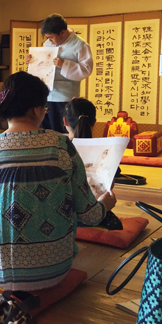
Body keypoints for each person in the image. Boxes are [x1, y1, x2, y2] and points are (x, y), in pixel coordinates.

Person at [0, 71, 116, 291]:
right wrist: (106, 203)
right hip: (54, 270)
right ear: (36, 109)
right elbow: (90, 215)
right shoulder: (60, 145)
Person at [26, 13, 93, 133]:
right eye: (47, 38)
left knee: (61, 132)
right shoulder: (48, 43)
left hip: (64, 96)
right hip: (45, 94)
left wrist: (64, 64)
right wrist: (33, 61)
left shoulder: (80, 45)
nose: (49, 40)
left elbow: (86, 70)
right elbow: (44, 64)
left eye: (51, 37)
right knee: (44, 131)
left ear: (62, 32)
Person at [63, 98, 123, 230]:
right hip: (94, 206)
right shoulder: (106, 150)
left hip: (64, 210)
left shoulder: (59, 147)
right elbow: (110, 184)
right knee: (115, 224)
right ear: (94, 122)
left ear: (65, 121)